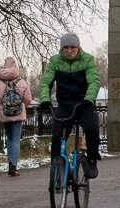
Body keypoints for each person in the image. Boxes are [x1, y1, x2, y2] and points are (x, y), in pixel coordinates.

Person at [39, 33, 101, 179]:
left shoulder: (87, 60)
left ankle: (92, 160)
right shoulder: (55, 61)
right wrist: (44, 100)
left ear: (78, 47)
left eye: (72, 47)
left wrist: (88, 99)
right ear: (62, 49)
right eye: (66, 47)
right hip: (65, 105)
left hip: (84, 103)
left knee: (91, 128)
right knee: (57, 137)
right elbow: (45, 82)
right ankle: (58, 169)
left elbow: (94, 81)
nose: (69, 50)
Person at [0, 56, 34, 177]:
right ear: (15, 66)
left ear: (4, 66)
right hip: (18, 114)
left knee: (9, 138)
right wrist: (21, 106)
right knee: (16, 139)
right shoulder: (21, 82)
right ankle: (13, 165)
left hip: (4, 114)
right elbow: (28, 99)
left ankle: (10, 162)